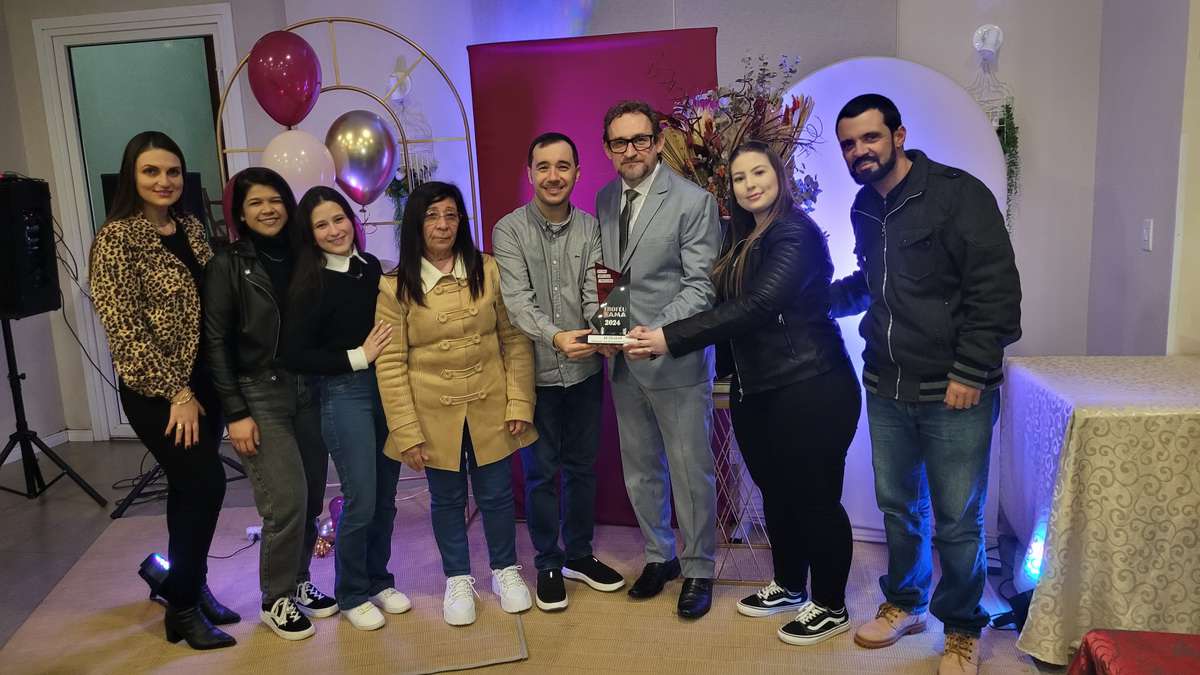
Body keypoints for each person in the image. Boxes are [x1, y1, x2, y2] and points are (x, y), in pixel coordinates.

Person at [629, 140, 862, 645]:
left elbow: (756, 307)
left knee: (816, 499)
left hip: (811, 386)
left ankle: (831, 604)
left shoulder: (794, 233)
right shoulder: (742, 236)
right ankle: (790, 585)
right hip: (757, 390)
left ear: (779, 175)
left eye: (759, 173)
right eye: (739, 177)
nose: (750, 184)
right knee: (776, 494)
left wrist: (670, 337)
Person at [829, 94, 1022, 675]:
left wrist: (969, 372)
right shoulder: (865, 205)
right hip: (887, 384)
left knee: (958, 520)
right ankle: (907, 603)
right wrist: (815, 301)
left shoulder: (958, 195)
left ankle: (962, 627)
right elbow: (876, 282)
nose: (859, 151)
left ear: (899, 135)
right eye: (848, 144)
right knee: (899, 507)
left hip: (954, 389)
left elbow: (996, 292)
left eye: (870, 137)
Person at [89, 131, 236, 650]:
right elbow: (125, 330)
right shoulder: (116, 239)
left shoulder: (190, 227)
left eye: (172, 171)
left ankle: (188, 586)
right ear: (132, 176)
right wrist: (177, 392)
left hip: (205, 384)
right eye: (151, 171)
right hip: (159, 392)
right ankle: (182, 607)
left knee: (186, 489)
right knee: (206, 484)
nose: (164, 181)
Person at [374, 181, 538, 626]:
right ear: (416, 223)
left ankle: (505, 570)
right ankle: (458, 578)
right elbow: (390, 364)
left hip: (491, 402)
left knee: (497, 493)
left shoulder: (489, 270)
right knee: (446, 499)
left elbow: (515, 340)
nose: (443, 225)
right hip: (431, 410)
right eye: (432, 216)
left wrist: (519, 402)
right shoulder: (395, 286)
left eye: (451, 215)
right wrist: (406, 431)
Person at [595, 100, 721, 618]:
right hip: (623, 361)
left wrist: (658, 332)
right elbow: (611, 276)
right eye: (619, 142)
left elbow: (701, 287)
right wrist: (608, 330)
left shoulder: (694, 202)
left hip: (674, 358)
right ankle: (659, 555)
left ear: (659, 141)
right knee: (641, 468)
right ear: (608, 149)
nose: (631, 150)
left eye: (640, 140)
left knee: (690, 471)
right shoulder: (605, 198)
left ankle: (698, 567)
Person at [492, 132, 625, 612]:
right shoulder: (508, 230)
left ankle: (579, 556)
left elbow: (600, 292)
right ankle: (548, 562)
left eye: (563, 166)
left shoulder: (592, 228)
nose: (553, 176)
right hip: (535, 375)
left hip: (585, 372)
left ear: (577, 173)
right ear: (529, 173)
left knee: (582, 468)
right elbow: (517, 303)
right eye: (543, 166)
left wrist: (606, 334)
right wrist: (557, 337)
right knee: (540, 474)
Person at [203, 167, 338, 641]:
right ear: (240, 213)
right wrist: (235, 412)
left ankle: (299, 581)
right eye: (256, 202)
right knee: (286, 500)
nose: (268, 209)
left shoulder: (306, 255)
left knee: (313, 495)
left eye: (275, 199)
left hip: (309, 389)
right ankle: (274, 598)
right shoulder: (227, 264)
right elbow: (215, 342)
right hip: (259, 392)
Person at [282, 186, 409, 632]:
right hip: (344, 394)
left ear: (352, 220)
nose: (334, 230)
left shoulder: (370, 267)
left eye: (339, 219)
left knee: (387, 496)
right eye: (322, 225)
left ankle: (379, 579)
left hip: (388, 388)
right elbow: (295, 354)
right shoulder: (308, 281)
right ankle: (352, 592)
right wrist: (358, 356)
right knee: (362, 497)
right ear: (310, 234)